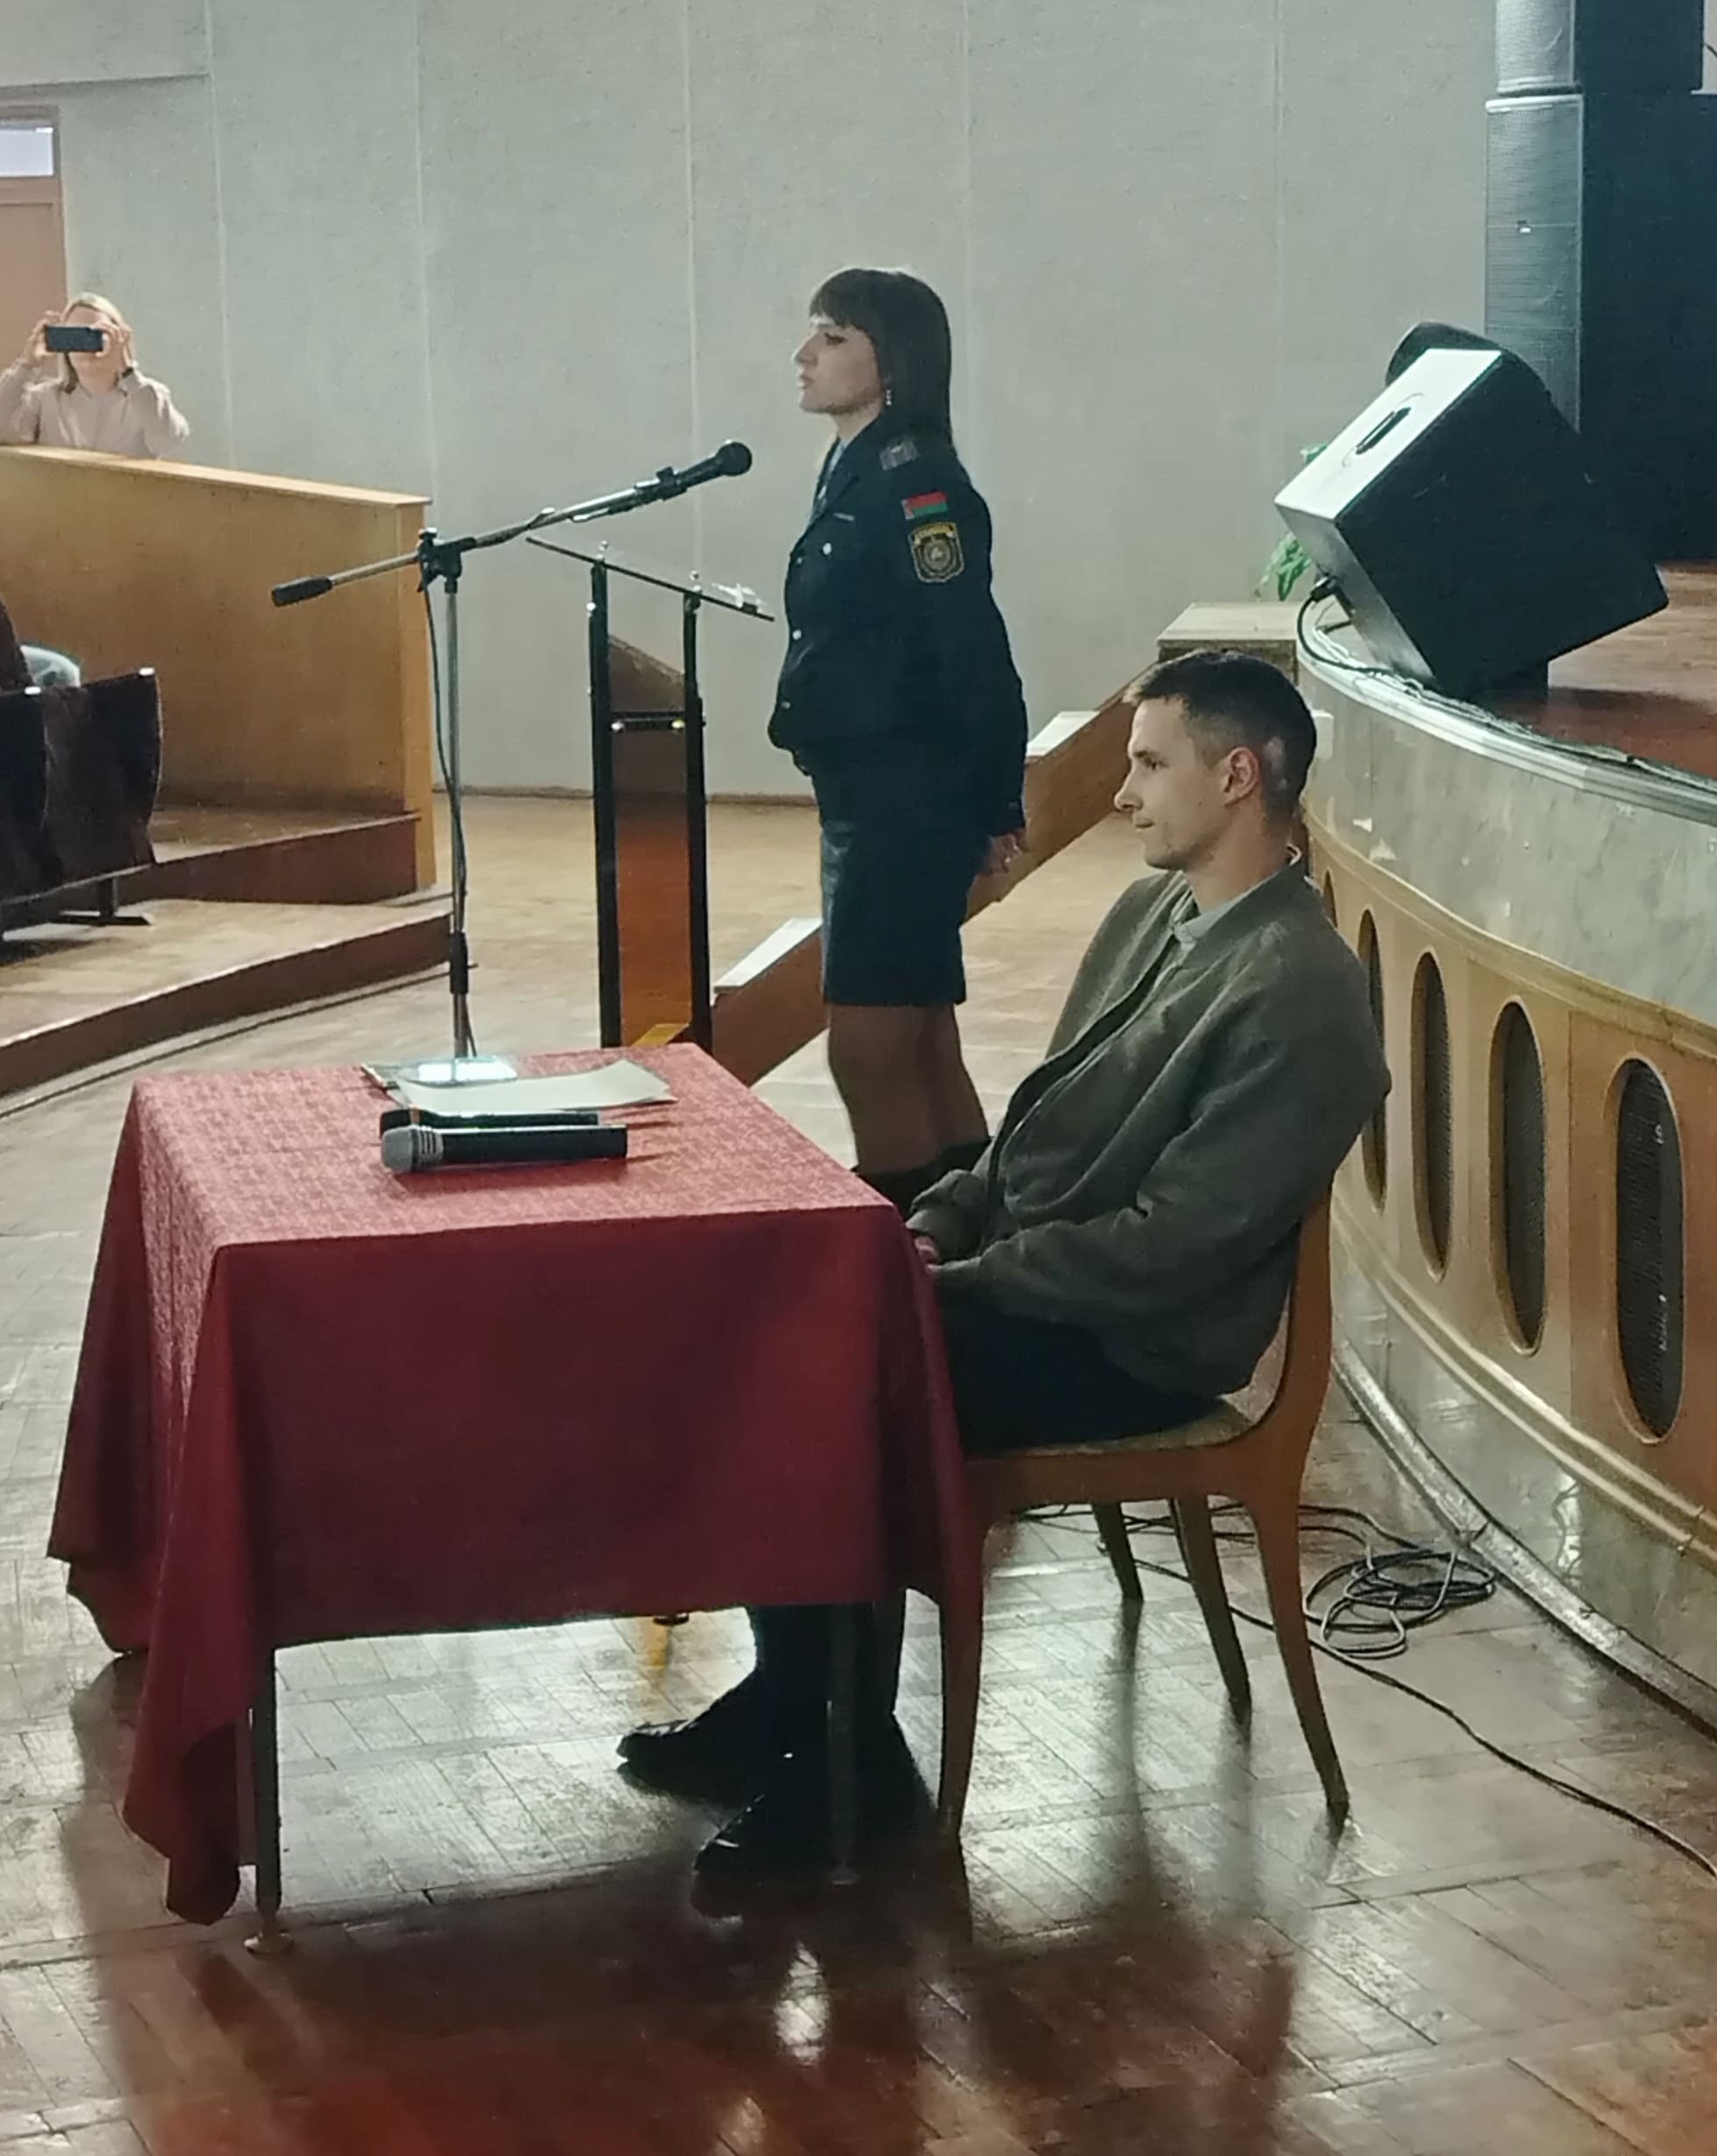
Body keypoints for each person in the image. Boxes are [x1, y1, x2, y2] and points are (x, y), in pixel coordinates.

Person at [622, 650, 1391, 1882]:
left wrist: (953, 1283)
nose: (1123, 793)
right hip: (1039, 1284)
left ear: (1238, 775)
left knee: (820, 1371)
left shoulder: (1304, 995)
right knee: (771, 1319)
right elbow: (1038, 1122)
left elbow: (1167, 1253)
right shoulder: (1156, 910)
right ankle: (794, 1700)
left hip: (1132, 1345)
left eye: (1149, 764)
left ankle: (854, 1766)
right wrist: (938, 1221)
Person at [771, 267, 1029, 1215]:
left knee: (868, 1047)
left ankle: (905, 1246)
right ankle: (974, 1231)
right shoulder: (858, 466)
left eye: (833, 337)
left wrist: (995, 800)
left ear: (893, 363)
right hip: (867, 790)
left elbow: (971, 653)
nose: (805, 354)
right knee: (921, 1037)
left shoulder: (919, 488)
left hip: (905, 796)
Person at [0, 294, 189, 458]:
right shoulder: (44, 398)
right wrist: (27, 364)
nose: (86, 346)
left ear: (119, 338)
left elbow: (168, 440)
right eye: (75, 335)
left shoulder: (147, 397)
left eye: (97, 334)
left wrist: (127, 370)